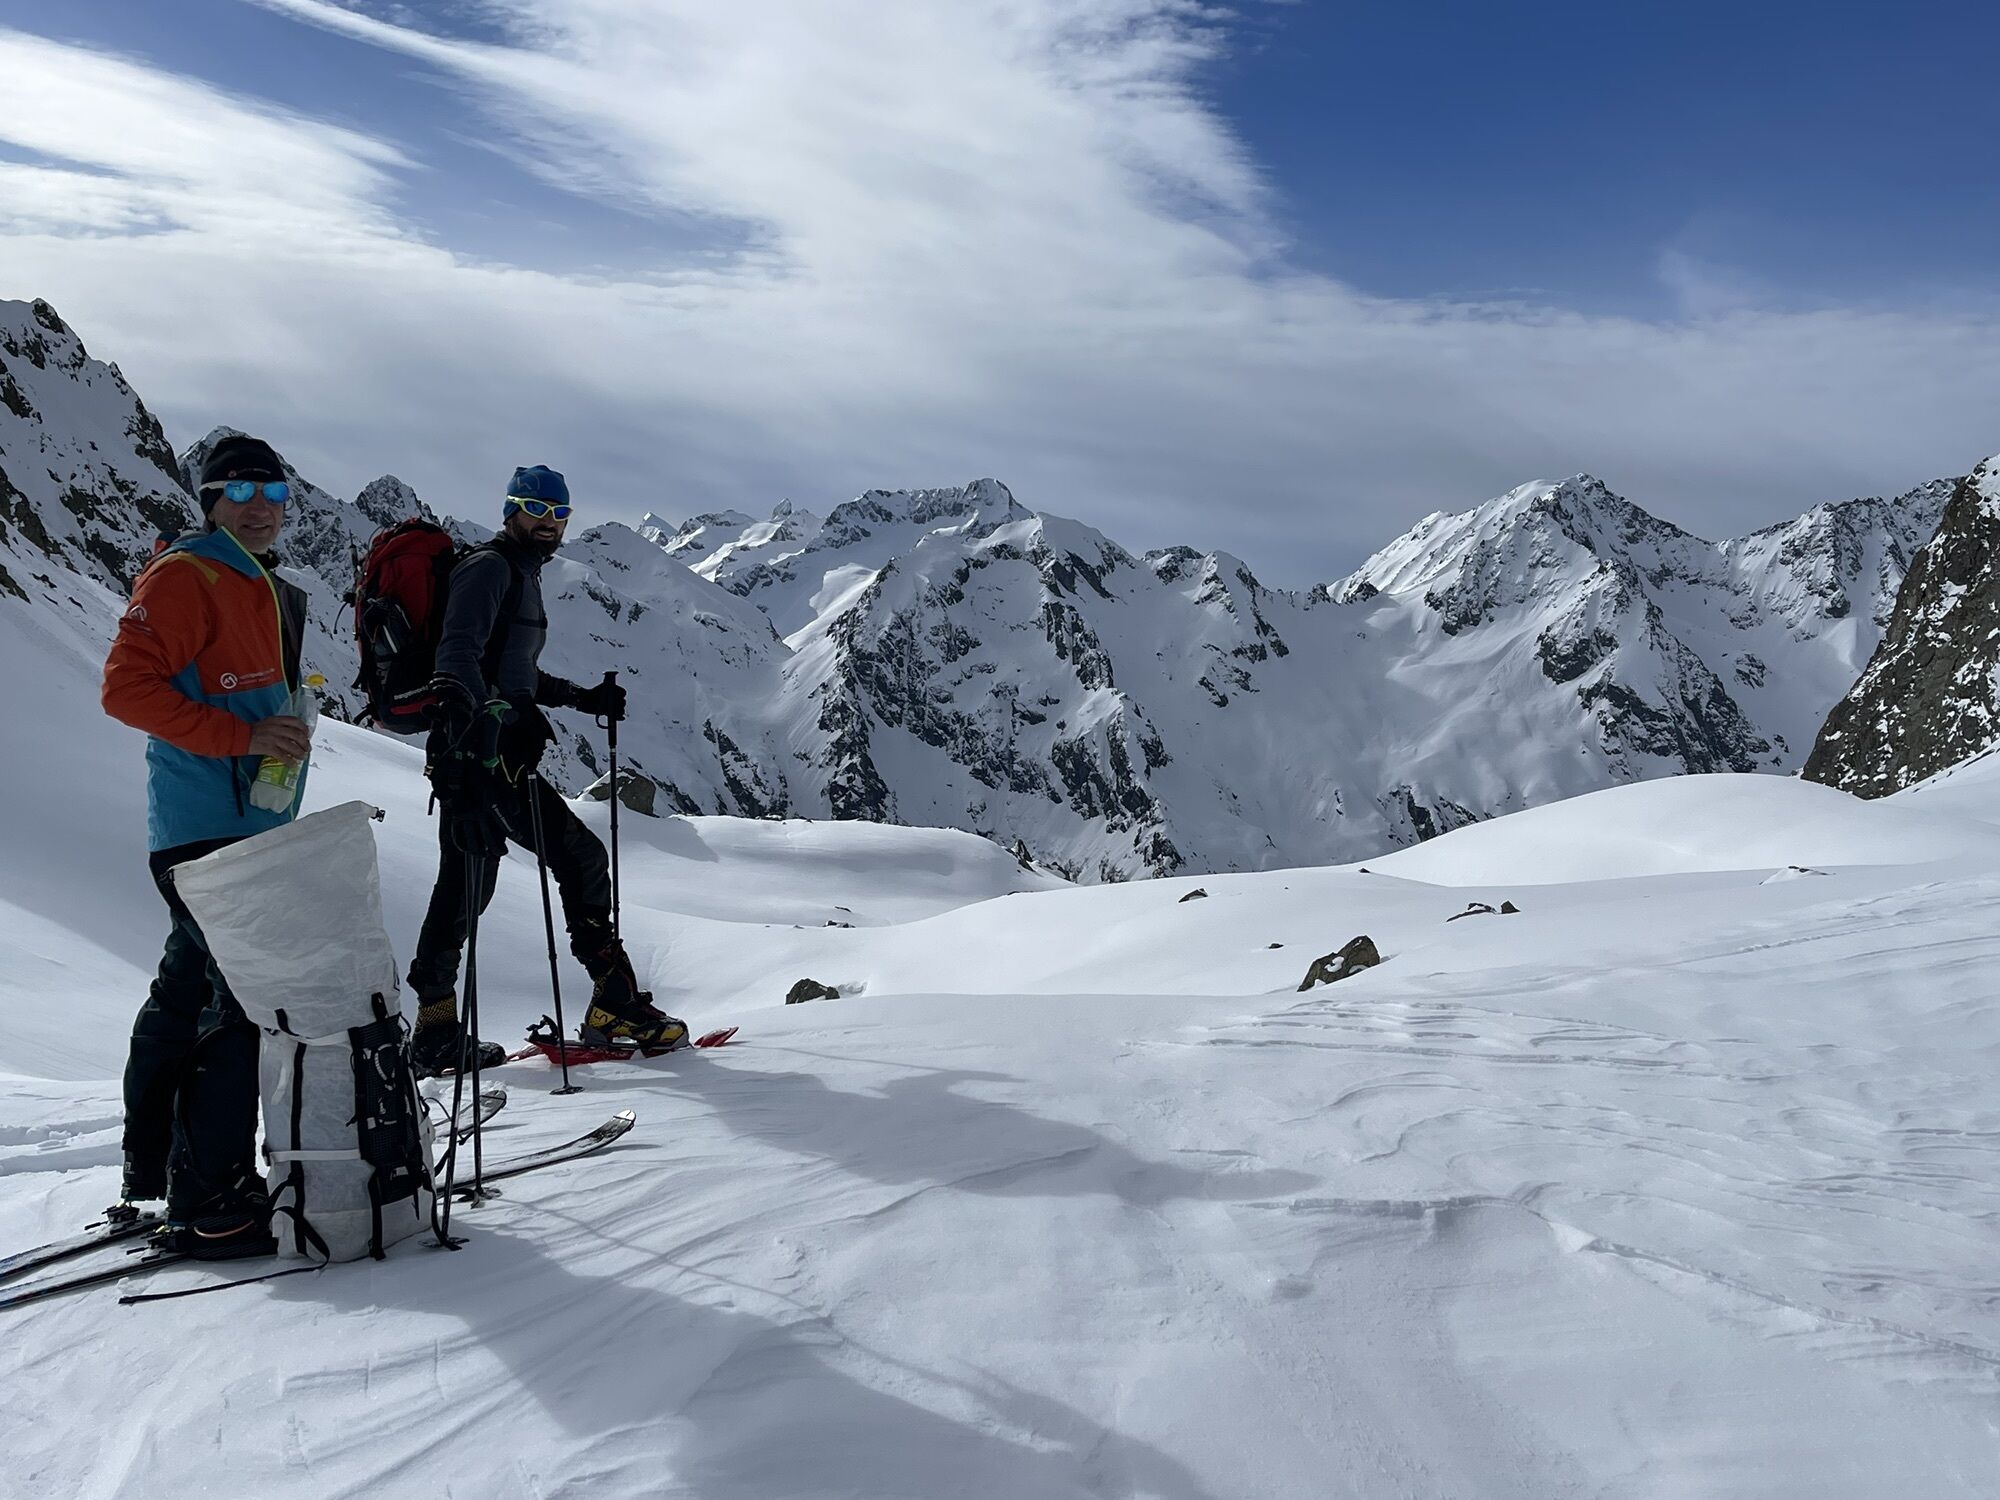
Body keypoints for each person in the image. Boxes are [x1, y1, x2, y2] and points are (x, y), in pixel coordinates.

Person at [100, 433, 312, 1257]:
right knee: (242, 1003)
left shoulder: (252, 578)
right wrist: (243, 738)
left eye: (274, 491)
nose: (261, 506)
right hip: (211, 828)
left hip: (235, 824)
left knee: (186, 994)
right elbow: (126, 691)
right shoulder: (188, 575)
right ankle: (211, 1199)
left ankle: (155, 1167)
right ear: (211, 499)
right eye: (241, 490)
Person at [406, 463, 677, 1076]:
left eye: (560, 514)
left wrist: (582, 698)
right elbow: (457, 658)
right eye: (536, 510)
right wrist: (482, 739)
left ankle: (435, 1029)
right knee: (574, 858)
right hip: (478, 757)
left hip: (487, 753)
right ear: (511, 512)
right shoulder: (489, 569)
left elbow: (514, 674)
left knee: (467, 885)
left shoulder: (519, 572)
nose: (549, 523)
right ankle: (613, 1003)